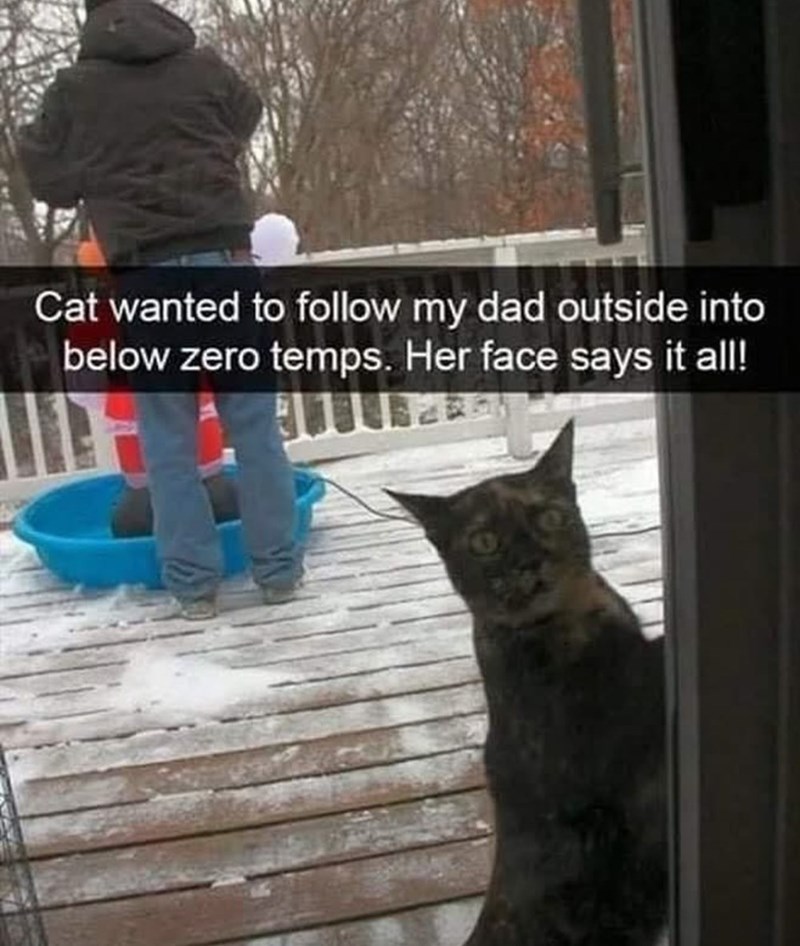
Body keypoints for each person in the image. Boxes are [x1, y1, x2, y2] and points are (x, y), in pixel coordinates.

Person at [19, 0, 303, 619]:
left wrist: (89, 162)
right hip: (225, 264)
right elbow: (248, 111)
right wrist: (206, 152)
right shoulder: (202, 67)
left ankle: (194, 588)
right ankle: (278, 573)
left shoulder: (75, 89)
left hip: (145, 276)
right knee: (254, 427)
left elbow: (47, 180)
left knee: (168, 439)